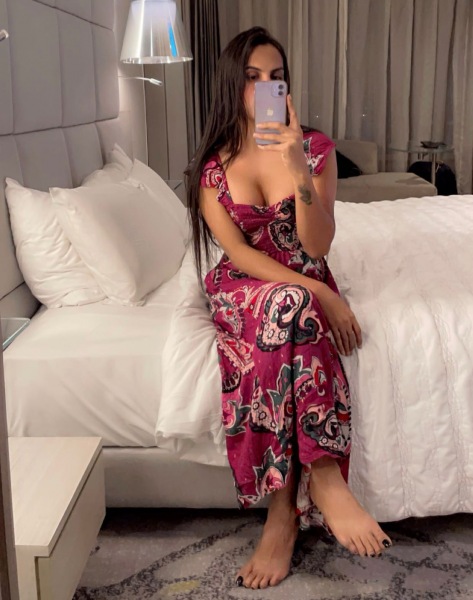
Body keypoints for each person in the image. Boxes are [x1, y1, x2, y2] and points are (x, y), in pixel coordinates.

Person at [186, 26, 392, 590]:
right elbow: (239, 255)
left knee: (292, 303)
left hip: (299, 275)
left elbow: (317, 245)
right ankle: (311, 486)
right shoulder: (212, 168)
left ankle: (296, 501)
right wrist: (322, 293)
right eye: (252, 78)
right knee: (293, 302)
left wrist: (298, 166)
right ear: (232, 85)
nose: (266, 88)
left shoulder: (316, 149)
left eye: (276, 77)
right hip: (245, 285)